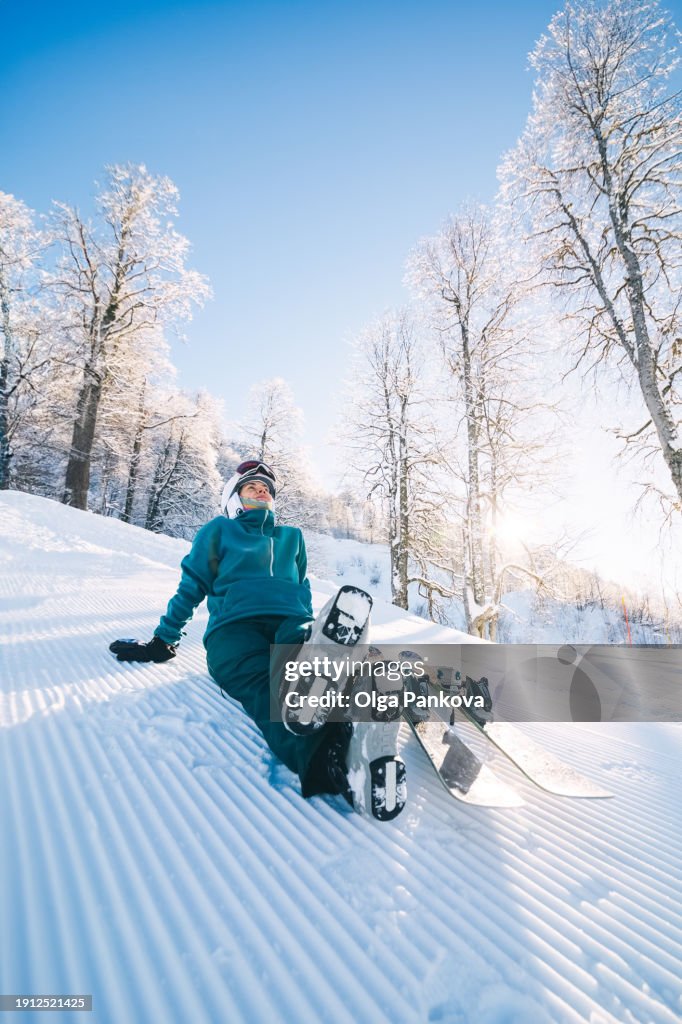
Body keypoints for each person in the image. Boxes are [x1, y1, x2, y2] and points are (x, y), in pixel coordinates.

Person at [110, 459, 406, 821]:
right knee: (265, 690)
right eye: (252, 486)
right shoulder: (219, 531)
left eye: (266, 487)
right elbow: (192, 586)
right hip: (235, 630)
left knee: (297, 650)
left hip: (291, 624)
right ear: (234, 499)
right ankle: (335, 758)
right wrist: (163, 638)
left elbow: (302, 591)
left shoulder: (291, 538)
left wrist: (312, 627)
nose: (262, 489)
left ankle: (338, 671)